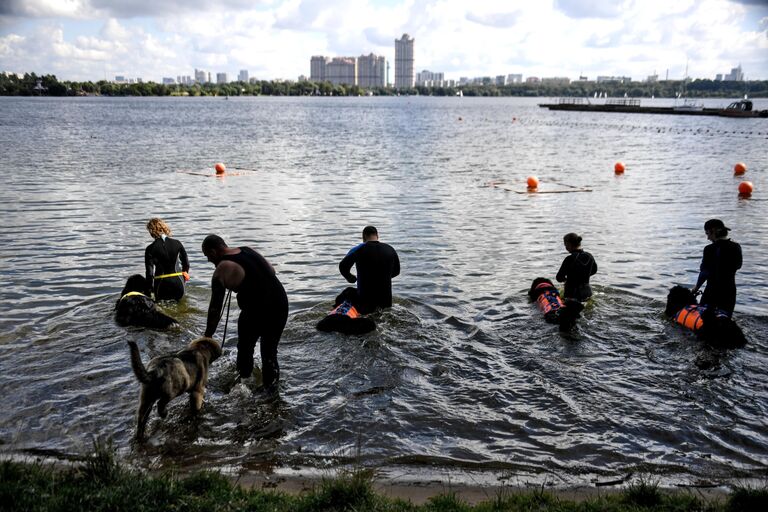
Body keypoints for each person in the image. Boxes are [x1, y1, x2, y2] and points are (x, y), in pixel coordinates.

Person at [202, 234, 288, 392]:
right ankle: (271, 395)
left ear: (213, 252)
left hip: (257, 309)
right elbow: (272, 270)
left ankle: (243, 386)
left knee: (245, 349)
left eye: (207, 256)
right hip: (280, 303)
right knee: (269, 352)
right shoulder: (247, 250)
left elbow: (215, 309)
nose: (209, 261)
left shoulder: (221, 270)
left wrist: (208, 336)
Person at [338, 225, 400, 314]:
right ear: (377, 235)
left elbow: (343, 266)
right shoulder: (390, 249)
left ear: (364, 236)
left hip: (365, 298)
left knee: (349, 293)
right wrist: (382, 277)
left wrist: (351, 278)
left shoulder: (359, 249)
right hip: (386, 299)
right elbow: (396, 271)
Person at [692, 219, 742, 317]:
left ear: (713, 231)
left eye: (707, 234)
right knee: (724, 321)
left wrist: (696, 288)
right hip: (729, 292)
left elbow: (704, 272)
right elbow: (738, 266)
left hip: (712, 291)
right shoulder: (736, 247)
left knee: (704, 321)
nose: (708, 238)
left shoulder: (709, 249)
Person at [144, 218, 189, 301]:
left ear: (151, 231)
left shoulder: (150, 249)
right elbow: (186, 264)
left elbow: (149, 273)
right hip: (178, 282)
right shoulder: (177, 243)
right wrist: (184, 277)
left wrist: (148, 291)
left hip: (161, 284)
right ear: (164, 227)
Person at [556, 232, 597, 302]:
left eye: (565, 245)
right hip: (587, 292)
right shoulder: (590, 256)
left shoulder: (569, 258)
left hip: (572, 294)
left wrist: (566, 280)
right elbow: (594, 270)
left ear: (569, 244)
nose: (565, 247)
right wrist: (583, 276)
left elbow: (559, 278)